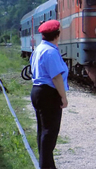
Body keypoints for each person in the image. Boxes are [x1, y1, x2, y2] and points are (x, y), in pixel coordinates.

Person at [30, 20, 69, 169]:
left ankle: (46, 165)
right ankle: (46, 166)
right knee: (50, 133)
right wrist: (63, 97)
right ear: (57, 35)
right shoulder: (51, 52)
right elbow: (56, 77)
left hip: (38, 91)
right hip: (48, 93)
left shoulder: (39, 49)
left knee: (43, 131)